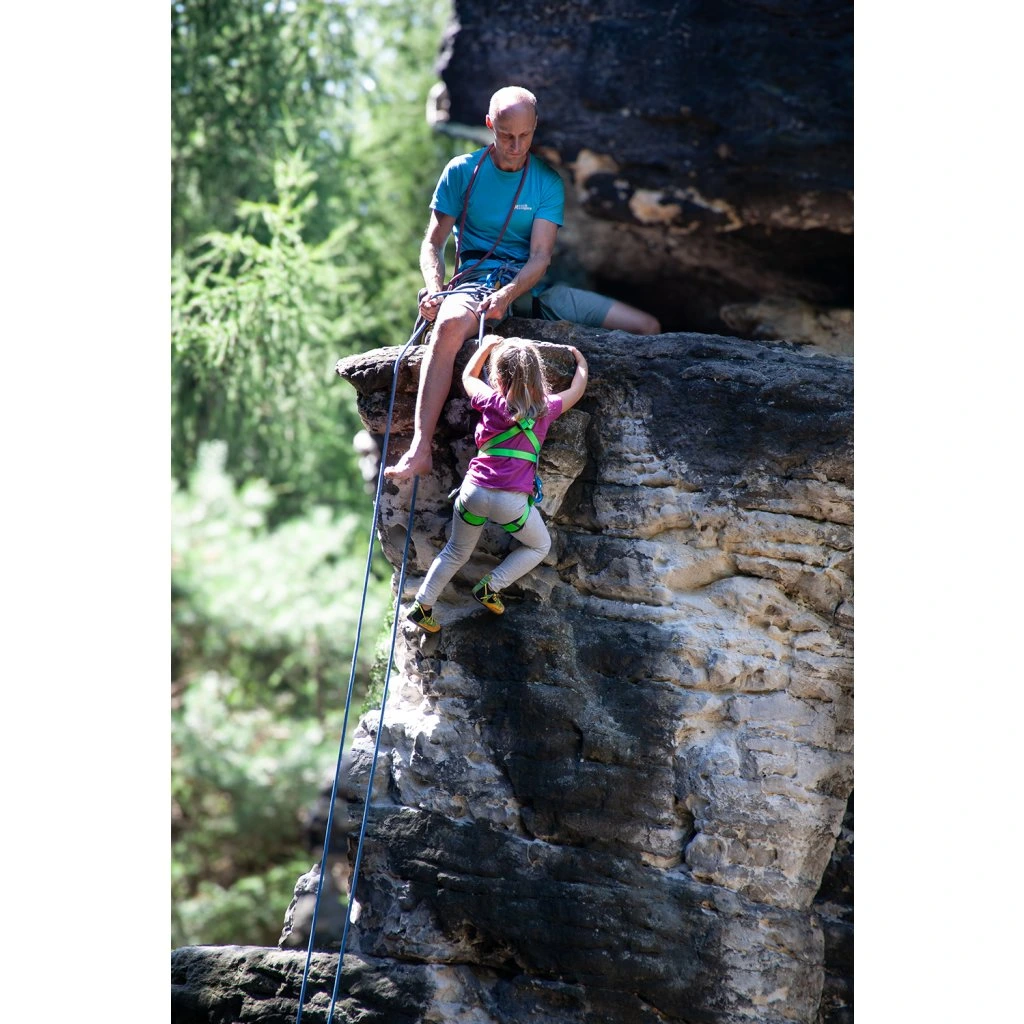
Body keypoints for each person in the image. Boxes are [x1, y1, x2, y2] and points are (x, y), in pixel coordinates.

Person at [385, 85, 659, 482]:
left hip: (531, 289)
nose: (515, 146)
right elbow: (433, 242)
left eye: (525, 136)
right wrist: (433, 287)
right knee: (446, 326)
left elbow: (540, 257)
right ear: (489, 126)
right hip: (474, 285)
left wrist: (509, 295)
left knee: (646, 326)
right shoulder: (461, 172)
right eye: (506, 135)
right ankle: (420, 449)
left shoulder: (546, 182)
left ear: (535, 128)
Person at [407, 336, 588, 633]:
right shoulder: (546, 408)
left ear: (499, 377)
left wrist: (486, 347)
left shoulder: (490, 400)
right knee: (540, 545)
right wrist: (580, 362)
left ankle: (423, 606)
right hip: (510, 503)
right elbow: (576, 391)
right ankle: (491, 586)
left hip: (473, 493)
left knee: (455, 551)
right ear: (537, 377)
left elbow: (468, 376)